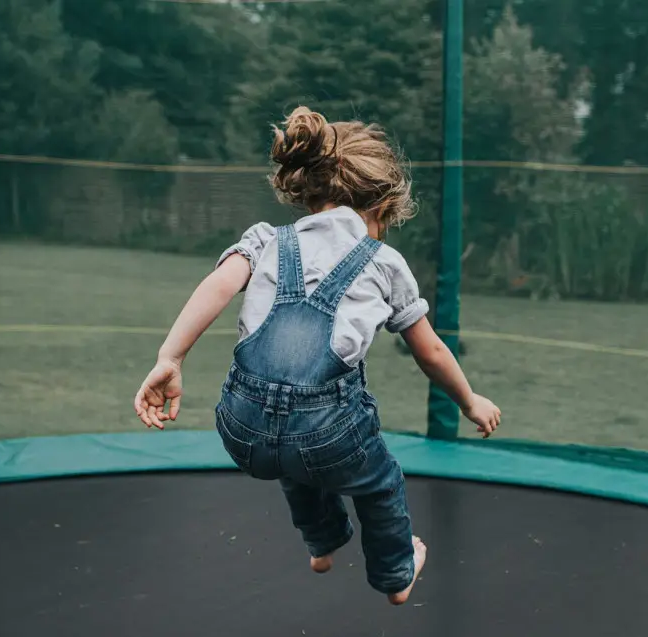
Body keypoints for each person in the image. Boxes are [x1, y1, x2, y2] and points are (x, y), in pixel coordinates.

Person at [133, 106, 501, 605]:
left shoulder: (266, 240)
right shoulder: (385, 263)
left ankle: (323, 543)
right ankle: (396, 576)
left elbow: (218, 285)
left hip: (242, 430)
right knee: (378, 482)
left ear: (311, 189)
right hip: (328, 434)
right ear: (380, 206)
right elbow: (432, 351)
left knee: (292, 453)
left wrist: (170, 358)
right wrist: (469, 400)